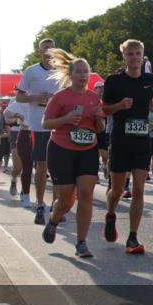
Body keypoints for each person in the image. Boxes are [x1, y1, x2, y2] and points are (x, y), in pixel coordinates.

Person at [40, 49, 104, 258]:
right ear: (71, 74)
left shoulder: (94, 98)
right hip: (61, 150)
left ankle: (81, 242)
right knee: (67, 200)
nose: (83, 75)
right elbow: (46, 123)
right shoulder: (60, 97)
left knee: (86, 195)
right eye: (78, 71)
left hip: (87, 151)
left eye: (86, 71)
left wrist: (99, 119)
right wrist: (66, 119)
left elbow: (100, 128)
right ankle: (54, 219)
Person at [102, 39, 153, 255]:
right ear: (124, 56)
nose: (135, 57)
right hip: (121, 140)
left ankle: (133, 237)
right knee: (116, 190)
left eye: (138, 53)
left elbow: (148, 102)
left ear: (143, 55)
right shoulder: (114, 81)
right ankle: (110, 214)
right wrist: (119, 106)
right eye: (130, 54)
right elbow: (104, 110)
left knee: (138, 190)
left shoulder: (149, 79)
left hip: (142, 139)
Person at [16, 39, 60, 226]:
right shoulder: (31, 71)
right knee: (41, 166)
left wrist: (56, 100)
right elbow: (19, 96)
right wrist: (37, 97)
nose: (48, 51)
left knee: (58, 167)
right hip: (38, 125)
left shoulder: (63, 70)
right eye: (45, 48)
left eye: (51, 47)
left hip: (59, 125)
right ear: (39, 51)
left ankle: (56, 205)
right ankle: (40, 204)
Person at [94, 81, 109, 184]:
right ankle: (95, 176)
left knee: (105, 155)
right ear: (95, 89)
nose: (101, 90)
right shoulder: (91, 100)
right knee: (95, 154)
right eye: (99, 88)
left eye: (103, 88)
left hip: (105, 129)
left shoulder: (107, 100)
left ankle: (105, 166)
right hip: (94, 129)